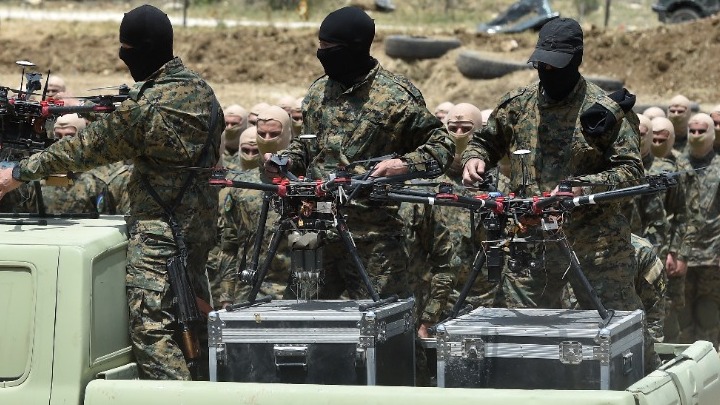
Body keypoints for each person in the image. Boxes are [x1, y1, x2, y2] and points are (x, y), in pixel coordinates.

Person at [0, 5, 223, 380]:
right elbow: (130, 118)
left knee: (152, 330)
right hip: (197, 227)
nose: (123, 57)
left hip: (161, 235)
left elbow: (86, 148)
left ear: (142, 50)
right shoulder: (199, 89)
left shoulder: (147, 107)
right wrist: (80, 108)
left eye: (126, 49)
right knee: (191, 324)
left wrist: (18, 173)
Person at [263, 6, 454, 300]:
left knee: (381, 319)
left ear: (354, 48)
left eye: (329, 48)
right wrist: (286, 159)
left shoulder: (396, 97)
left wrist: (403, 165)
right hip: (315, 233)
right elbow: (309, 146)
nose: (322, 53)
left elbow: (441, 147)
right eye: (320, 46)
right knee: (305, 315)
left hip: (372, 238)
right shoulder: (318, 92)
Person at [462, 17, 644, 312]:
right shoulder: (517, 105)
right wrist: (474, 158)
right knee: (524, 329)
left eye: (555, 65)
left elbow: (632, 172)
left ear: (576, 60)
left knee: (615, 323)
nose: (547, 71)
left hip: (595, 246)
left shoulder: (604, 112)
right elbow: (484, 142)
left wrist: (581, 188)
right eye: (541, 64)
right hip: (530, 243)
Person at [220, 106, 294, 306]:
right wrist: (226, 295)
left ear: (287, 135)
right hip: (248, 291)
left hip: (294, 292)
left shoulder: (304, 184)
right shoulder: (242, 185)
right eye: (262, 134)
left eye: (274, 134)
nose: (267, 139)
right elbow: (230, 243)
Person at [677, 113, 720, 346]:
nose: (695, 135)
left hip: (712, 254)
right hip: (681, 252)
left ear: (711, 134)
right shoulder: (677, 166)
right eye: (692, 131)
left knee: (707, 311)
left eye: (701, 131)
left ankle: (710, 358)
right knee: (681, 311)